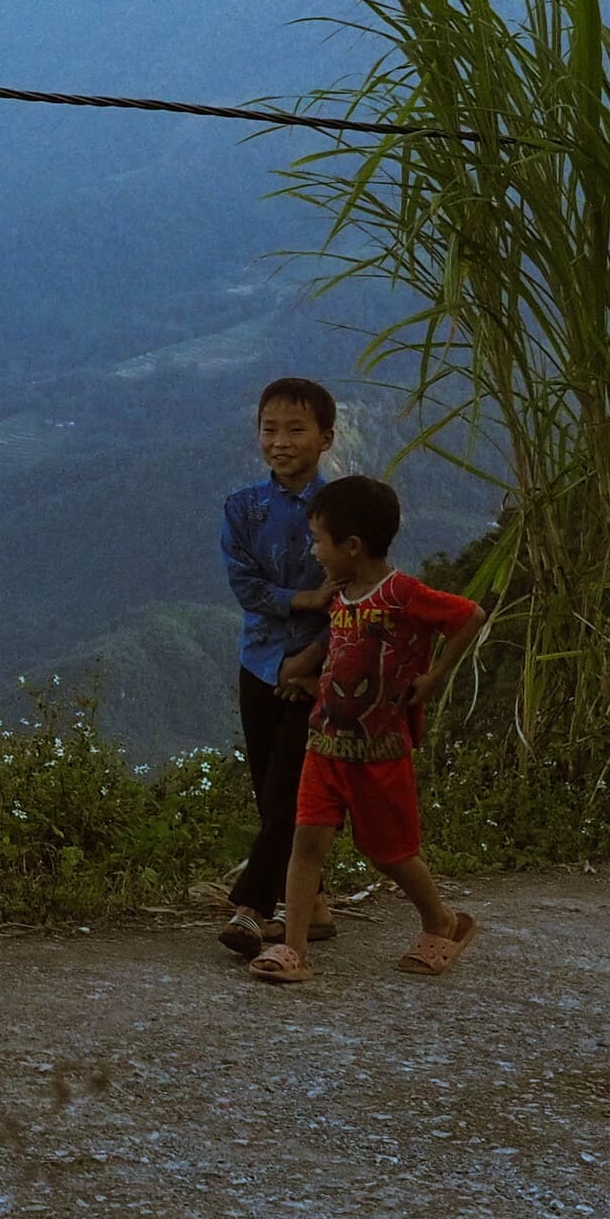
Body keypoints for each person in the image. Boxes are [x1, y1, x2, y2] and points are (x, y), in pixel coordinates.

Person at [251, 474, 481, 984]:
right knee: (306, 841)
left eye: (319, 540)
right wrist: (307, 680)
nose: (314, 552)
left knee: (391, 854)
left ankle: (443, 922)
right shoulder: (341, 597)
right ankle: (294, 951)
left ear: (352, 546)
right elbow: (345, 657)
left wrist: (435, 676)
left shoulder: (403, 594)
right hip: (326, 745)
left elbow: (470, 614)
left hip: (378, 752)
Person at [214, 378, 337, 960]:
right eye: (270, 429)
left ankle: (251, 908)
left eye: (296, 429)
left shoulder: (342, 509)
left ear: (326, 438)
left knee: (291, 790)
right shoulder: (242, 509)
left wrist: (310, 660)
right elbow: (245, 586)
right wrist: (306, 601)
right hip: (258, 663)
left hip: (316, 672)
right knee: (270, 792)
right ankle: (310, 904)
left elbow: (359, 594)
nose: (280, 442)